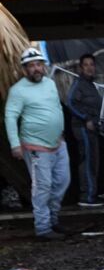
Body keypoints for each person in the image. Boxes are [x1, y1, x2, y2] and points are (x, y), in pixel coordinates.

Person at [5, 47, 71, 240]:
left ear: (44, 66)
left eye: (38, 64)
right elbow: (10, 117)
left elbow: (56, 108)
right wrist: (15, 144)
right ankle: (43, 228)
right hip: (35, 147)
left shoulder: (50, 84)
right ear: (25, 69)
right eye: (31, 66)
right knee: (43, 186)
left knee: (62, 181)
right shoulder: (18, 90)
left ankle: (53, 219)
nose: (36, 69)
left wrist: (61, 132)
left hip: (59, 143)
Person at [67, 52, 104, 207]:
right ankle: (87, 197)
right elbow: (71, 103)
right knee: (88, 161)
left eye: (92, 64)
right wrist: (86, 118)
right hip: (83, 128)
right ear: (81, 68)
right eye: (86, 65)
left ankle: (92, 193)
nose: (90, 68)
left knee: (93, 161)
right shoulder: (79, 84)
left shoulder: (90, 84)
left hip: (92, 129)